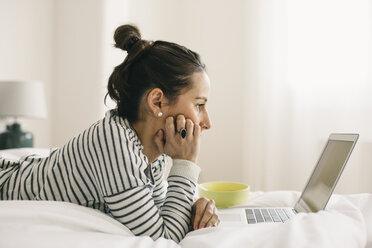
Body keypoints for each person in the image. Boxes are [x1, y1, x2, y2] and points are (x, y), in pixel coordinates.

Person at [0, 24, 219, 243]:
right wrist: (186, 163)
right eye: (199, 105)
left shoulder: (152, 148)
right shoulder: (115, 144)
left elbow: (159, 212)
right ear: (157, 101)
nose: (207, 123)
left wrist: (194, 207)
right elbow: (164, 237)